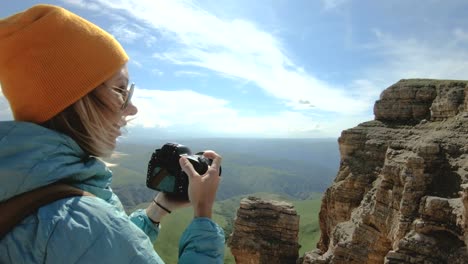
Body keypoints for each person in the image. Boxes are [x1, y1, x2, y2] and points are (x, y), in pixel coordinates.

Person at [0, 4, 224, 264]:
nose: (132, 107)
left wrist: (159, 208)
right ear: (77, 100)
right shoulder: (80, 223)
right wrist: (203, 213)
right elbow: (96, 238)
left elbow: (101, 249)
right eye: (120, 90)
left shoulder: (25, 185)